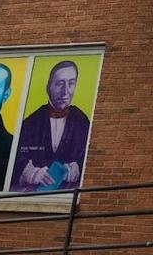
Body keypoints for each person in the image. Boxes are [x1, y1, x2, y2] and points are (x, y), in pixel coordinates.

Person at [11, 60, 92, 191]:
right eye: (60, 84)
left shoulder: (82, 120)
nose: (65, 92)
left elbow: (91, 155)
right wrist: (31, 173)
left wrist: (76, 168)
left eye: (71, 83)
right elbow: (14, 157)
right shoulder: (30, 123)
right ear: (48, 87)